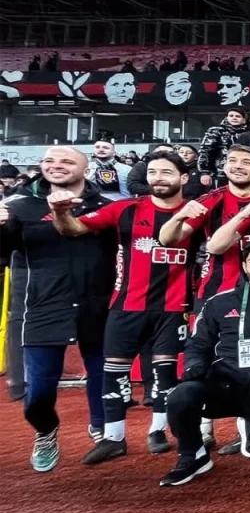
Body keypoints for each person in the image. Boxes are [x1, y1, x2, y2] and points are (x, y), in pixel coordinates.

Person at [47, 154, 198, 462]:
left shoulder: (196, 212)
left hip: (174, 305)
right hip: (127, 303)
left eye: (166, 172)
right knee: (115, 369)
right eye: (152, 171)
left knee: (165, 371)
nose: (158, 177)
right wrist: (60, 212)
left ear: (183, 178)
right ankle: (113, 437)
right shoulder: (125, 208)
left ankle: (158, 431)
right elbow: (73, 229)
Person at [0, 147, 117, 470]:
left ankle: (103, 430)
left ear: (86, 169)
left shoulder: (106, 207)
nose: (57, 166)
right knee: (38, 391)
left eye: (67, 161)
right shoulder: (18, 206)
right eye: (50, 161)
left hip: (97, 306)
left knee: (102, 377)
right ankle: (45, 430)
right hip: (41, 308)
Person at [159, 240, 250, 486]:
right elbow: (197, 344)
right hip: (228, 385)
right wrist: (194, 366)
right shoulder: (219, 302)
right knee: (181, 396)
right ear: (244, 266)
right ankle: (193, 455)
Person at [159, 144, 250, 308]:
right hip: (216, 290)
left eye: (246, 162)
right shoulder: (210, 200)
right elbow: (167, 240)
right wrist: (179, 217)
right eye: (232, 161)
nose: (238, 166)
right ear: (224, 167)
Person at [197, 108, 249, 188]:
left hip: (244, 172)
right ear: (226, 117)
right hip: (220, 172)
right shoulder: (216, 131)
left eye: (237, 116)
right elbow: (205, 151)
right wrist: (204, 172)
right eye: (231, 116)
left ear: (244, 120)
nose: (234, 118)